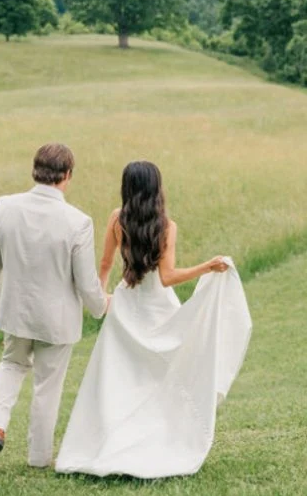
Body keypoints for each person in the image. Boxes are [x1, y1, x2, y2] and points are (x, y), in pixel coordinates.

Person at [54, 160, 252, 478]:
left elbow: (105, 262)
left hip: (126, 305)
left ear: (127, 187)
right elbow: (168, 277)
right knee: (164, 376)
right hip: (158, 307)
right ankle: (160, 436)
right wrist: (207, 267)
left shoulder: (116, 219)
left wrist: (101, 298)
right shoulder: (166, 226)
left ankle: (109, 443)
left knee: (118, 379)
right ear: (157, 188)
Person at [0, 143, 110, 469]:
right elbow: (86, 280)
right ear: (67, 175)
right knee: (47, 386)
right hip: (57, 319)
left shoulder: (4, 207)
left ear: (35, 170)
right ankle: (38, 458)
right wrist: (101, 306)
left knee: (11, 364)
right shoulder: (78, 221)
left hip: (15, 310)